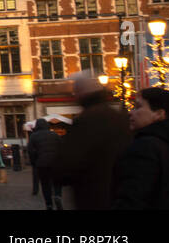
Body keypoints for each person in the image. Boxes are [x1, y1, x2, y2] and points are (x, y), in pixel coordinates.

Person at [55, 70, 131, 210]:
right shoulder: (117, 116)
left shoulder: (86, 120)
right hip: (119, 194)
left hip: (93, 196)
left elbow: (69, 164)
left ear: (81, 93)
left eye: (75, 90)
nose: (73, 95)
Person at [110, 88, 169, 209]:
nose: (130, 112)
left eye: (138, 107)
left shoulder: (144, 147)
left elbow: (132, 197)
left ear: (159, 114)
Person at [27, 118, 62, 210]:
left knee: (45, 184)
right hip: (55, 163)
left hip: (42, 164)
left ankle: (49, 204)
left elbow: (30, 151)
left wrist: (34, 162)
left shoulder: (34, 136)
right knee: (57, 181)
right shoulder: (55, 134)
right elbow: (62, 148)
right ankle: (58, 195)